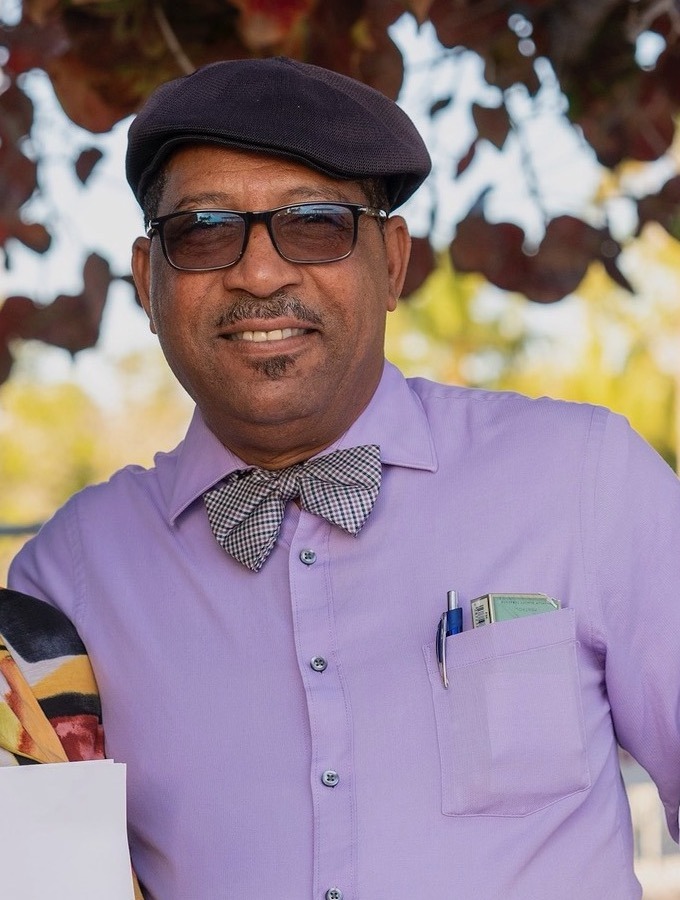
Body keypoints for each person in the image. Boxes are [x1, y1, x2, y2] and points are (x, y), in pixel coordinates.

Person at [7, 56, 680, 900]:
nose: (259, 274)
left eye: (317, 224)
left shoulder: (583, 478)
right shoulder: (68, 577)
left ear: (392, 264)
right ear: (149, 280)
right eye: (206, 229)